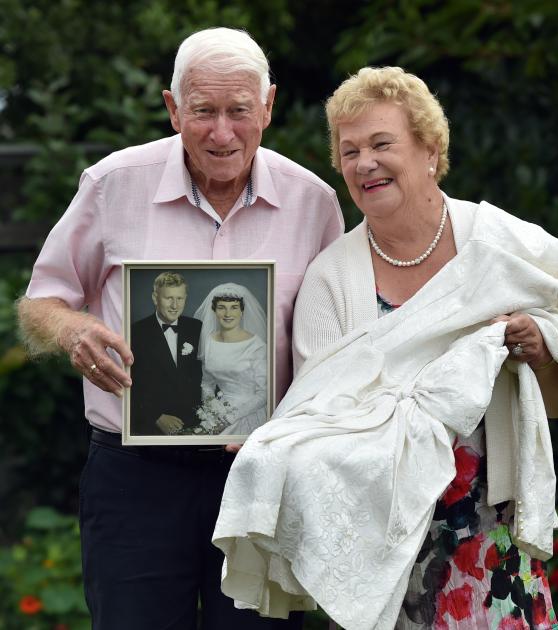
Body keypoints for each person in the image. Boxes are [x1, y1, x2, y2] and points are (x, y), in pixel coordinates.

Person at [210, 67, 558, 629]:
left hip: (487, 533)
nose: (363, 163)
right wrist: (275, 446)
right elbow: (323, 411)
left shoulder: (503, 245)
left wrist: (541, 342)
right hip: (378, 542)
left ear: (430, 150)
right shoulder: (330, 278)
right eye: (349, 151)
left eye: (382, 144)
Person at [16, 27, 343, 630]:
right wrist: (73, 333)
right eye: (203, 111)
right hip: (134, 477)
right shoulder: (113, 184)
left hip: (260, 477)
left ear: (268, 106)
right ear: (172, 109)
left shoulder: (314, 203)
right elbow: (42, 301)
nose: (223, 133)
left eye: (240, 111)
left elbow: (341, 348)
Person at [129, 271, 202, 435]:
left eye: (180, 298)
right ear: (155, 298)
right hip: (151, 428)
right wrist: (155, 416)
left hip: (194, 425)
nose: (175, 305)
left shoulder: (197, 328)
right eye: (169, 298)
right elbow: (130, 383)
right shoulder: (135, 332)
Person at [194, 282, 268, 435]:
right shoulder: (208, 341)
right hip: (218, 412)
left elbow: (264, 393)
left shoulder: (257, 346)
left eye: (234, 307)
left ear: (242, 311)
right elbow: (207, 385)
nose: (228, 314)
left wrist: (229, 418)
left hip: (248, 412)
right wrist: (213, 411)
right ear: (214, 310)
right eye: (222, 307)